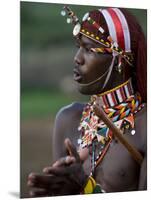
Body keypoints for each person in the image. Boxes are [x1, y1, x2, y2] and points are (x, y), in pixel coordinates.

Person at [27, 6, 147, 197]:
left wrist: (86, 187)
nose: (77, 59)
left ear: (119, 60)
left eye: (90, 49)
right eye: (78, 47)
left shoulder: (144, 127)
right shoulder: (68, 119)